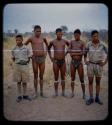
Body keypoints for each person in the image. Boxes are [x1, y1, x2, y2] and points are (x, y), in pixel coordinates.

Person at [84, 30, 108, 105]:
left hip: (99, 65)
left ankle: (97, 98)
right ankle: (91, 98)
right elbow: (85, 52)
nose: (96, 37)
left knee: (98, 82)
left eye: (97, 36)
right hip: (90, 65)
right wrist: (85, 60)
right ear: (91, 37)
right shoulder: (88, 44)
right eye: (94, 36)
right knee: (90, 82)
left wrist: (104, 62)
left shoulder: (103, 44)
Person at [24, 25, 48, 98]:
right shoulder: (31, 38)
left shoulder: (43, 38)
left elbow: (48, 45)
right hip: (34, 59)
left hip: (42, 59)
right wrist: (29, 55)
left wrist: (46, 53)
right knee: (35, 76)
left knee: (41, 76)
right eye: (37, 31)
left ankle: (41, 92)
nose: (39, 32)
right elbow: (24, 46)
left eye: (40, 31)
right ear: (34, 31)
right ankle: (35, 93)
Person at [48, 28, 69, 97]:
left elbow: (70, 46)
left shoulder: (65, 41)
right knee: (56, 77)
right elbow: (48, 48)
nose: (60, 35)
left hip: (63, 62)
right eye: (58, 33)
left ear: (62, 34)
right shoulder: (53, 42)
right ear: (56, 34)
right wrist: (51, 57)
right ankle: (56, 93)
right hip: (56, 62)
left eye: (61, 33)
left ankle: (63, 92)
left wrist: (65, 53)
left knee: (63, 77)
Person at [11, 34, 31, 102]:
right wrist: (18, 62)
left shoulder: (26, 48)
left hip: (25, 66)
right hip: (17, 66)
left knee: (25, 81)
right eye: (16, 40)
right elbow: (13, 58)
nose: (18, 41)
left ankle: (25, 95)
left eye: (19, 40)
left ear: (22, 40)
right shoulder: (14, 48)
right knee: (18, 81)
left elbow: (29, 57)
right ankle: (19, 96)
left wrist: (25, 62)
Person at [67, 29, 85, 98]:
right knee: (72, 78)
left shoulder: (82, 42)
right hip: (73, 62)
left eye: (77, 35)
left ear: (80, 35)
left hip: (79, 62)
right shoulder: (71, 42)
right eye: (75, 35)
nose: (76, 37)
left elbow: (83, 52)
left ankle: (83, 94)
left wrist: (73, 52)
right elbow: (68, 50)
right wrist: (78, 52)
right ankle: (72, 93)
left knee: (81, 78)